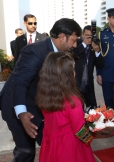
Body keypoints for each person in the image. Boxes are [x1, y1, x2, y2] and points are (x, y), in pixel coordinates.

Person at [0, 18, 82, 162]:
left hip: (39, 106)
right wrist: (21, 113)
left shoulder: (63, 52)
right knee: (26, 151)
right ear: (62, 37)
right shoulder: (35, 51)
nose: (75, 45)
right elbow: (20, 82)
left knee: (52, 145)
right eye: (73, 41)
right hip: (18, 105)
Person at [36, 52, 95, 162]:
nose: (75, 73)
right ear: (68, 75)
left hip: (50, 143)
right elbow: (80, 130)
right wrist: (94, 133)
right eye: (72, 69)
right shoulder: (73, 101)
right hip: (69, 146)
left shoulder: (45, 96)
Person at [73, 25, 103, 109]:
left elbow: (100, 65)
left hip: (88, 84)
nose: (90, 38)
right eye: (87, 36)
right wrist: (84, 44)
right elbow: (73, 55)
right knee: (78, 108)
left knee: (93, 108)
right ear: (82, 35)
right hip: (76, 83)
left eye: (91, 36)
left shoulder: (95, 45)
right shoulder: (76, 43)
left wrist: (97, 52)